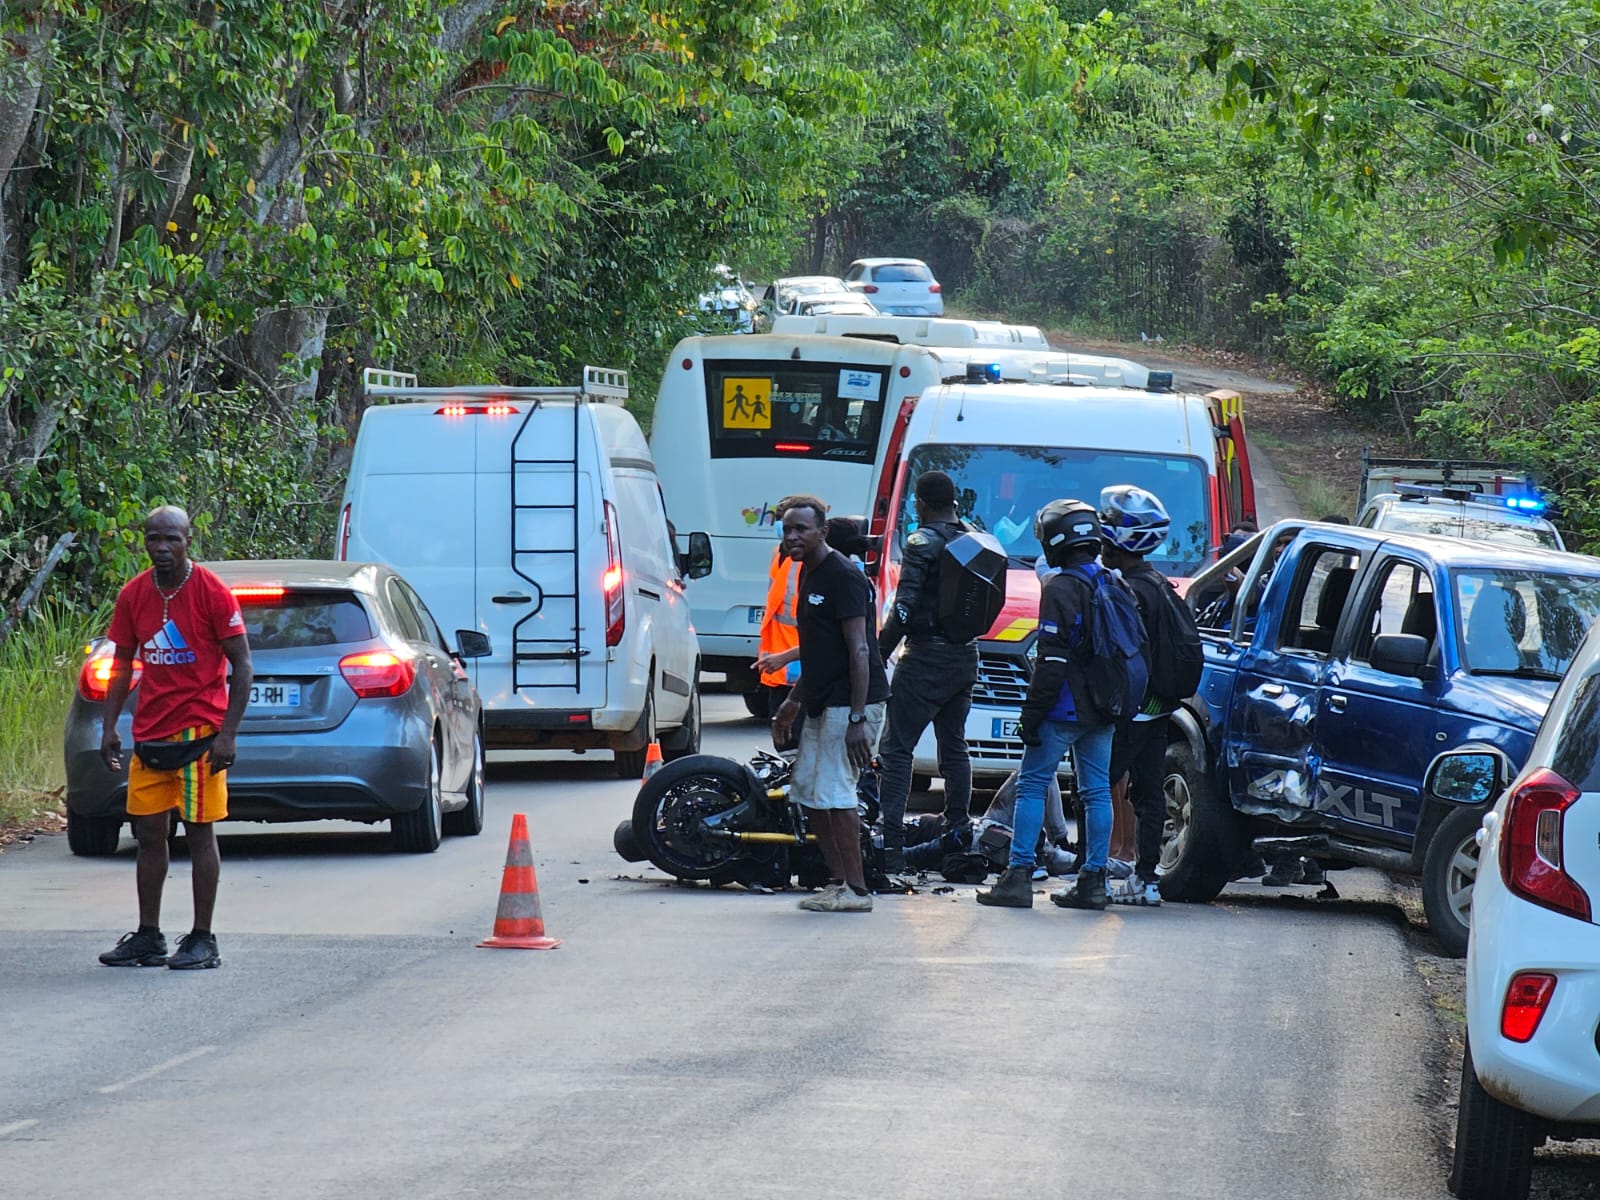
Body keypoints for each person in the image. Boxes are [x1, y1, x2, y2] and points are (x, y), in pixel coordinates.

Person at [97, 505, 253, 969]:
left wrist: (228, 734)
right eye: (153, 539)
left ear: (188, 541)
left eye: (171, 539)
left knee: (200, 833)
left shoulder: (211, 591)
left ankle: (203, 939)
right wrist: (109, 726)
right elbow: (122, 663)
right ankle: (148, 936)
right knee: (148, 834)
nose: (161, 548)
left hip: (199, 735)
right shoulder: (134, 594)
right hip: (151, 735)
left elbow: (242, 664)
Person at [978, 499, 1120, 910]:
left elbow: (1051, 661)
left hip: (1064, 707)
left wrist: (1032, 714)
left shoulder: (1059, 587)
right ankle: (1094, 880)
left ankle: (1018, 876)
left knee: (1032, 785)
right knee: (1097, 792)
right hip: (1104, 707)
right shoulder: (1113, 582)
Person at [772, 497, 890, 912]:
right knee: (808, 791)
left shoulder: (843, 576)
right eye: (787, 529)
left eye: (801, 529)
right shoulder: (808, 572)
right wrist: (793, 701)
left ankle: (857, 891)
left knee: (837, 793)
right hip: (825, 701)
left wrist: (858, 719)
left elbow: (859, 651)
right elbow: (819, 650)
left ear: (822, 532)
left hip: (853, 702)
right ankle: (837, 881)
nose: (792, 537)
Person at [876, 470, 980, 873]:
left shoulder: (922, 542)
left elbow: (904, 609)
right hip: (965, 656)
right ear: (954, 502)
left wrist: (878, 655)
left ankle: (891, 844)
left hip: (924, 658)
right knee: (954, 746)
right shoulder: (975, 538)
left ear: (919, 503)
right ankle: (958, 831)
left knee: (897, 749)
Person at [1099, 485, 1181, 907]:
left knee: (1095, 786)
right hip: (1159, 706)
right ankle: (1146, 880)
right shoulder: (1159, 584)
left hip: (1134, 707)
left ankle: (1092, 876)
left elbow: (1119, 653)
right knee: (1149, 794)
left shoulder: (1128, 589)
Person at [753, 496, 804, 748]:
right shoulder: (778, 554)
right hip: (777, 663)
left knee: (796, 739)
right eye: (784, 525)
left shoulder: (807, 560)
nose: (788, 533)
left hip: (799, 662)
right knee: (782, 739)